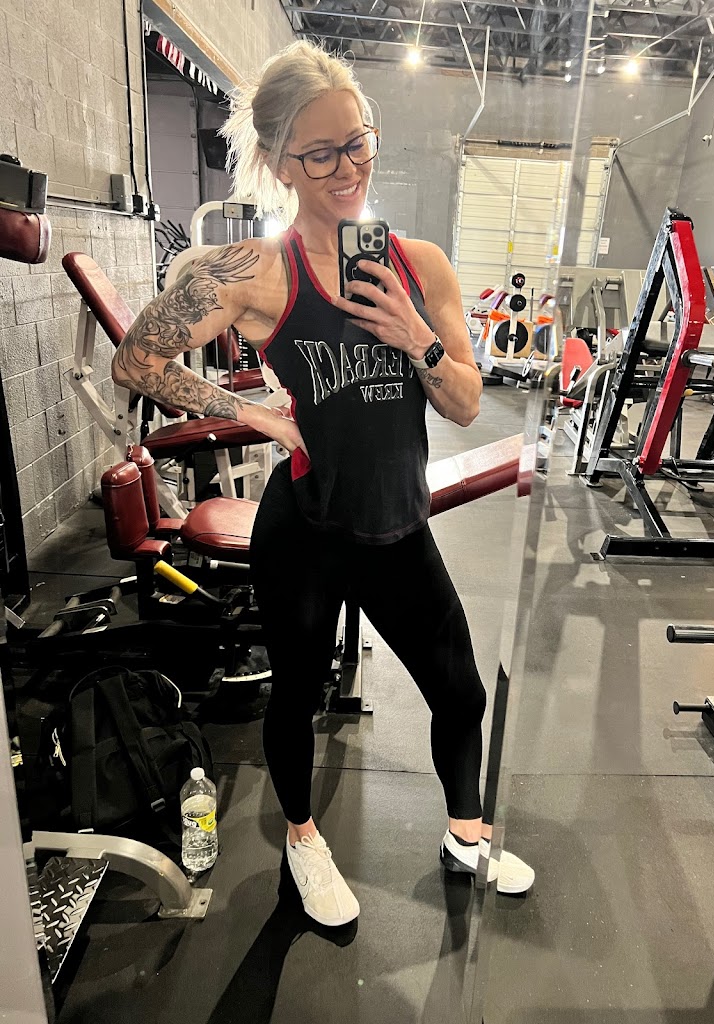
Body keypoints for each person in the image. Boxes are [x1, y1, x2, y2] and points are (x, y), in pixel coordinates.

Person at [112, 40, 534, 928]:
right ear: (278, 163)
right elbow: (136, 360)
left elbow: (464, 404)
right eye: (320, 154)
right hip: (306, 529)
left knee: (461, 692)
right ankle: (303, 843)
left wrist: (415, 334)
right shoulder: (254, 271)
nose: (348, 169)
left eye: (358, 143)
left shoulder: (419, 265)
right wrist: (255, 414)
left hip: (400, 527)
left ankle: (465, 834)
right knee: (296, 701)